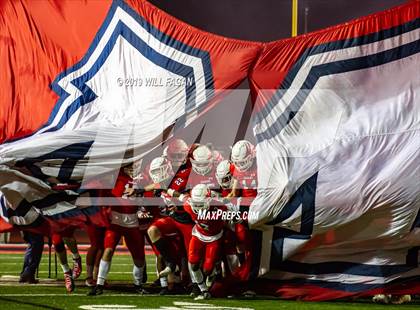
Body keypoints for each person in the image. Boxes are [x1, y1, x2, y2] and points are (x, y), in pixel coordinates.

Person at [88, 168, 147, 296]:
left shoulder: (143, 176)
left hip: (132, 221)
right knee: (108, 250)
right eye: (129, 165)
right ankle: (99, 285)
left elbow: (149, 192)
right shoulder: (116, 175)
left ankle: (138, 285)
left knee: (139, 257)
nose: (132, 167)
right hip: (116, 219)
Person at [183, 184, 228, 300]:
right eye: (196, 203)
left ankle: (214, 272)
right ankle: (203, 290)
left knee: (207, 270)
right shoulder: (188, 205)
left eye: (200, 203)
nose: (198, 206)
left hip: (214, 238)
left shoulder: (219, 207)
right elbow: (180, 197)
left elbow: (232, 214)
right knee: (193, 264)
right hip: (198, 235)